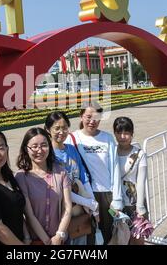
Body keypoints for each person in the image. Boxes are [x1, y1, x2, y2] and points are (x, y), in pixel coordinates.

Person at [66, 102, 122, 244]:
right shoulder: (72, 139)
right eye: (88, 117)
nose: (92, 121)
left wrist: (117, 198)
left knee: (108, 233)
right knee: (86, 233)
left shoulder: (107, 138)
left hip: (106, 196)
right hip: (84, 196)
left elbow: (115, 169)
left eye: (96, 117)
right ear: (81, 117)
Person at [44, 111, 99, 245]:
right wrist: (88, 203)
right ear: (47, 130)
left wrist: (92, 202)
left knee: (81, 239)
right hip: (60, 211)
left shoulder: (71, 149)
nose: (61, 132)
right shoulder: (47, 155)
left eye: (64, 128)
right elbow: (61, 188)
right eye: (57, 128)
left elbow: (82, 177)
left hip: (79, 211)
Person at [15, 127, 72, 245]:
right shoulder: (21, 177)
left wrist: (59, 235)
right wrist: (47, 241)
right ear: (26, 149)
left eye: (44, 145)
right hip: (37, 240)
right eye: (34, 146)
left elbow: (67, 207)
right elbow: (28, 214)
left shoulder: (61, 172)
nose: (39, 150)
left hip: (60, 240)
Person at [113, 117, 151, 245]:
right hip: (114, 203)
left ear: (132, 134)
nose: (123, 136)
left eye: (126, 133)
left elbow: (140, 182)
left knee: (137, 239)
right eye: (119, 133)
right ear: (115, 133)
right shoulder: (111, 152)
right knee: (118, 238)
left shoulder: (139, 154)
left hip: (134, 204)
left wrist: (140, 209)